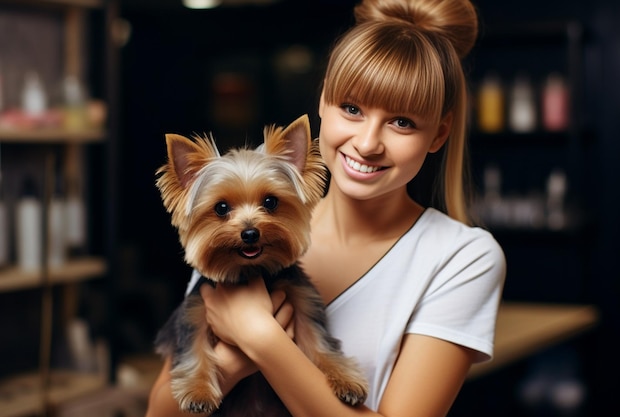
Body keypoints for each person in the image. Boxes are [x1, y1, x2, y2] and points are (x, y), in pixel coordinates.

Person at [145, 0, 506, 416]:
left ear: (439, 134)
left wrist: (261, 338)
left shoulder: (462, 258)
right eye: (351, 109)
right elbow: (158, 412)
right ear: (322, 103)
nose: (368, 142)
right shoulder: (236, 243)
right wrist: (226, 367)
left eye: (402, 121)